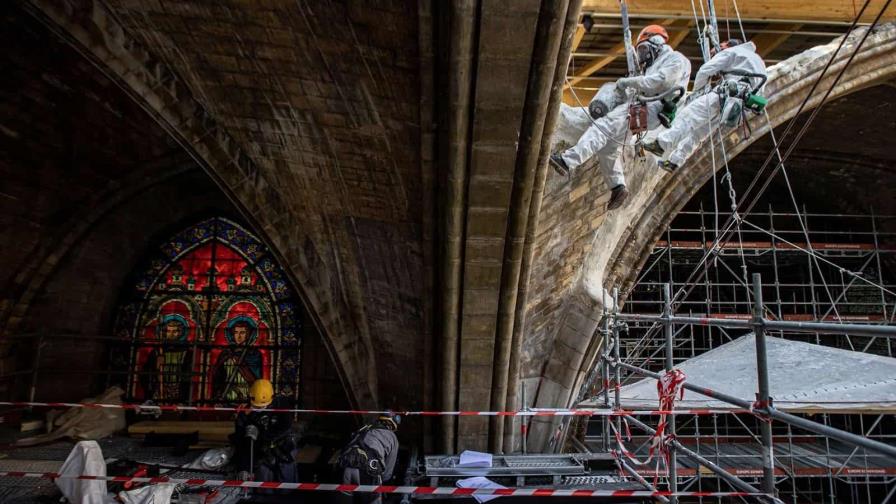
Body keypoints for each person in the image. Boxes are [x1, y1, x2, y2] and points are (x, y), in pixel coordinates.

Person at [551, 24, 691, 210]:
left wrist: (627, 82)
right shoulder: (656, 64)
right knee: (609, 147)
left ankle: (567, 161)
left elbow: (659, 82)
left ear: (656, 42)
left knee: (603, 127)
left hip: (649, 108)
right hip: (646, 109)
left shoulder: (675, 59)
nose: (642, 54)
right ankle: (618, 186)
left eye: (643, 48)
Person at [644, 38, 767, 172]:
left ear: (726, 45)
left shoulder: (731, 52)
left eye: (720, 45)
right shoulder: (758, 61)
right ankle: (674, 162)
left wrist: (697, 94)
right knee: (699, 133)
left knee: (688, 116)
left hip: (724, 96)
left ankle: (661, 145)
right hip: (736, 107)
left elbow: (705, 70)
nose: (715, 50)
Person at [231, 379, 299, 485]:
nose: (260, 408)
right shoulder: (245, 415)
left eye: (263, 406)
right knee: (263, 483)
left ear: (272, 397)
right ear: (250, 397)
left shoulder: (281, 404)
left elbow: (285, 426)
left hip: (284, 450)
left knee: (287, 484)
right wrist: (243, 468)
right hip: (260, 454)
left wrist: (260, 434)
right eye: (257, 406)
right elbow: (240, 443)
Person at [338, 413, 400, 504]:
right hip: (369, 470)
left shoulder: (365, 428)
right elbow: (387, 471)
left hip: (347, 465)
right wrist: (383, 480)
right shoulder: (392, 437)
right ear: (392, 425)